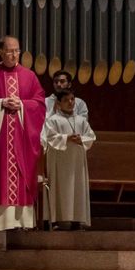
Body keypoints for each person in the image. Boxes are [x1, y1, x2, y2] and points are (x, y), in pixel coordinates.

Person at [0, 35, 46, 230]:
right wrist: (1, 103)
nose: (13, 55)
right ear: (0, 52)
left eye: (16, 51)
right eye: (9, 50)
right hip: (0, 140)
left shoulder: (29, 76)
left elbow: (39, 103)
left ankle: (21, 222)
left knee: (21, 176)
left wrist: (22, 104)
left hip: (21, 139)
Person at [41, 90, 95, 228]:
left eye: (72, 99)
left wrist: (81, 140)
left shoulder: (81, 120)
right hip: (59, 161)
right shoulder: (52, 120)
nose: (70, 102)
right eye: (66, 100)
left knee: (77, 186)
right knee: (60, 188)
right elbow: (49, 138)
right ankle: (57, 220)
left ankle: (77, 220)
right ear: (58, 104)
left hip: (76, 161)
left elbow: (91, 137)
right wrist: (66, 138)